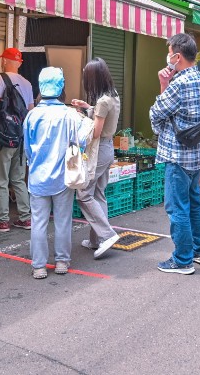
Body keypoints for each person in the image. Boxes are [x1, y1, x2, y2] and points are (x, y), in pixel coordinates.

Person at [149, 33, 200, 274]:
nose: (168, 56)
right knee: (194, 203)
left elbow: (156, 113)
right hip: (196, 153)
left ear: (177, 56)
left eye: (169, 51)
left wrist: (163, 84)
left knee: (178, 208)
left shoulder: (179, 84)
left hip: (178, 155)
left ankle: (183, 259)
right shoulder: (199, 78)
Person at [25, 68, 88, 279]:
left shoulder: (32, 115)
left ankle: (39, 266)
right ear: (61, 87)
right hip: (63, 177)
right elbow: (82, 144)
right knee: (63, 220)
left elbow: (27, 149)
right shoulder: (70, 115)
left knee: (39, 222)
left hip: (37, 177)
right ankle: (62, 261)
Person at [71, 58, 122, 258]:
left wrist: (80, 120)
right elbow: (103, 117)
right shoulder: (113, 95)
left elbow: (95, 132)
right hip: (108, 149)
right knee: (98, 194)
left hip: (99, 151)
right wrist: (87, 107)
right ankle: (95, 240)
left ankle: (107, 235)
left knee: (83, 194)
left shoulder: (102, 101)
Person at [0, 48, 35, 233]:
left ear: (5, 61)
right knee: (19, 179)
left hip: (2, 137)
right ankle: (25, 218)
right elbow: (30, 111)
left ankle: (3, 220)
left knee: (0, 179)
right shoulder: (28, 83)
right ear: (19, 63)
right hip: (20, 138)